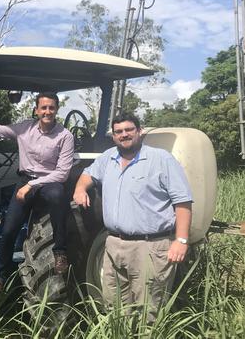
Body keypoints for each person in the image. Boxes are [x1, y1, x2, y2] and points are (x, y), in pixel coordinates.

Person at [73, 113, 192, 321]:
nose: (124, 135)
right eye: (118, 131)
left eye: (129, 130)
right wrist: (80, 189)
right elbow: (87, 174)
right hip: (113, 244)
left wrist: (181, 241)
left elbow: (182, 202)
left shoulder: (161, 159)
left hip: (150, 246)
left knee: (149, 311)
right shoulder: (107, 157)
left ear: (140, 131)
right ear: (113, 136)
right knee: (114, 308)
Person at [0, 86, 75, 294]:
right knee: (9, 230)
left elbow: (62, 173)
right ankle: (1, 277)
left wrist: (32, 185)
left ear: (57, 110)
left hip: (49, 182)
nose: (47, 111)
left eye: (52, 108)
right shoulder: (24, 128)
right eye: (43, 108)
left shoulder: (65, 136)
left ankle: (60, 251)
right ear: (36, 110)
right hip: (26, 180)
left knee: (58, 194)